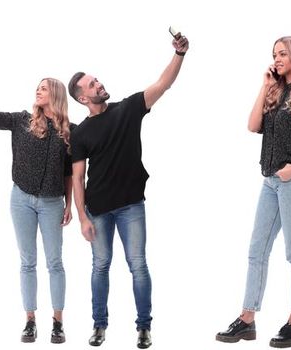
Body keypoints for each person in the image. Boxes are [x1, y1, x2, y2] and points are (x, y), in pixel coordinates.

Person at [66, 30, 188, 349]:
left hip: (132, 205)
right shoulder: (81, 135)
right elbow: (77, 179)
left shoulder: (128, 108)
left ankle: (144, 327)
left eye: (97, 80)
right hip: (98, 210)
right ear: (82, 98)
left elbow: (163, 83)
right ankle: (99, 326)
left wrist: (179, 54)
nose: (99, 84)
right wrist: (82, 217)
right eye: (91, 85)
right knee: (100, 266)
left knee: (138, 265)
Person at [215, 36, 291, 349]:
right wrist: (264, 86)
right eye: (273, 55)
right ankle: (247, 319)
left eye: (282, 54)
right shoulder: (275, 92)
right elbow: (252, 126)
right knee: (256, 250)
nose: (276, 59)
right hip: (269, 181)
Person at [0, 57, 75, 344]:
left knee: (55, 262)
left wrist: (69, 203)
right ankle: (30, 321)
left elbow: (70, 173)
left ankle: (57, 322)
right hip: (21, 199)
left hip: (53, 202)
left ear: (55, 94)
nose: (37, 92)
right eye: (37, 88)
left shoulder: (69, 132)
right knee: (27, 262)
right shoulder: (21, 121)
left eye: (43, 88)